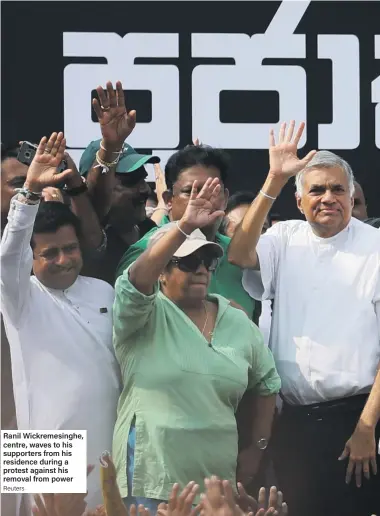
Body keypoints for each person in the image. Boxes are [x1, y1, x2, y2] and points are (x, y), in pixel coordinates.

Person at [228, 121, 380, 516]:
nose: (328, 197)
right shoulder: (284, 238)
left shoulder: (376, 248)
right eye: (317, 190)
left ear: (351, 196)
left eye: (337, 189)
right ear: (298, 202)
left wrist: (366, 428)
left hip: (358, 419)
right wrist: (274, 180)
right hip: (293, 421)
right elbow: (239, 254)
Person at [112, 177, 280, 513]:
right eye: (187, 262)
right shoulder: (143, 313)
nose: (201, 269)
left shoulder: (234, 319)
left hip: (218, 486)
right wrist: (184, 226)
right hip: (152, 481)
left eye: (207, 261)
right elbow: (136, 280)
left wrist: (256, 448)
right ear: (162, 271)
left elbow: (267, 383)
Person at [0, 132, 121, 513]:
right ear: (30, 260)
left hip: (107, 437)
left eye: (70, 249)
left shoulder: (104, 291)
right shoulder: (20, 297)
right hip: (42, 448)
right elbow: (11, 251)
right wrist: (31, 191)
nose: (64, 259)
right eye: (49, 253)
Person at [116, 144, 260, 323]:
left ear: (225, 198)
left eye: (212, 190)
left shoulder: (239, 256)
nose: (201, 199)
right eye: (189, 192)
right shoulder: (147, 253)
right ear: (168, 200)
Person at [79, 80, 160, 285]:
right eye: (130, 181)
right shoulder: (85, 238)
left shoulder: (150, 231)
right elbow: (95, 198)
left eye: (143, 178)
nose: (144, 189)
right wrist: (110, 148)